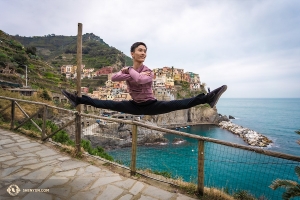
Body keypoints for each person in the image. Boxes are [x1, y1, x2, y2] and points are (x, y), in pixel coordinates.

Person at [62, 42, 227, 115]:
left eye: (145, 51)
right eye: (140, 50)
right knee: (105, 103)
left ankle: (208, 98)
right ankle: (78, 100)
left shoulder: (149, 72)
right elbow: (114, 78)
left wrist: (129, 71)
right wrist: (130, 72)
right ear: (132, 53)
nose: (143, 53)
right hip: (134, 105)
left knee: (180, 104)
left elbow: (141, 80)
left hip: (151, 105)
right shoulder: (130, 70)